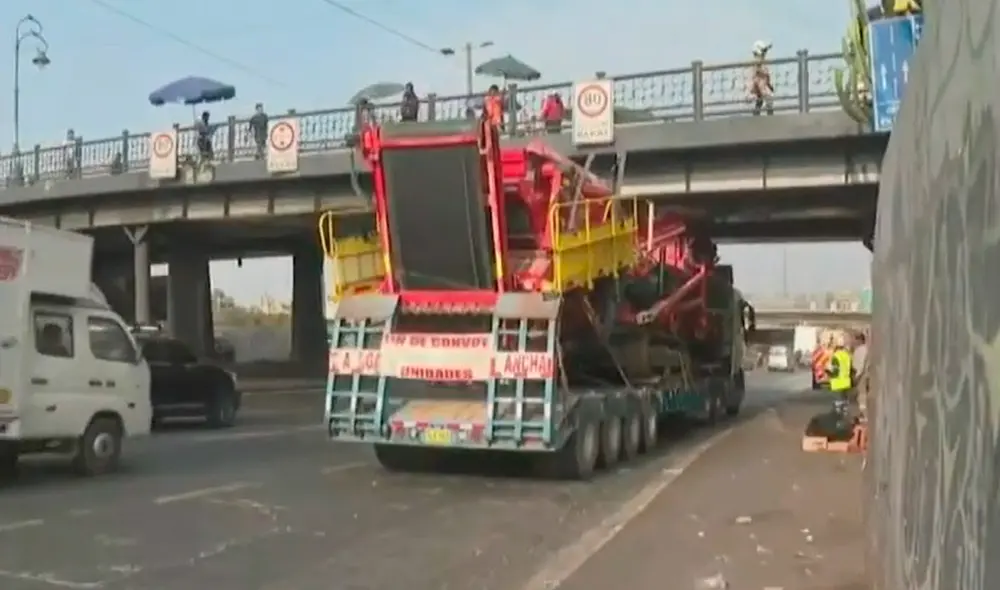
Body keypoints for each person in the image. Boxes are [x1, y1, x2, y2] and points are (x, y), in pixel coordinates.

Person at [747, 40, 774, 116]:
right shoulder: (757, 62)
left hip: (762, 85)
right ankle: (769, 117)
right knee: (767, 99)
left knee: (760, 101)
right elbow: (756, 74)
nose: (765, 54)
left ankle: (757, 115)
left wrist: (769, 84)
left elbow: (766, 76)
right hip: (759, 85)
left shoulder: (762, 62)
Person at [825, 338, 854, 406]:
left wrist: (828, 370)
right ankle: (845, 412)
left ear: (836, 347)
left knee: (837, 401)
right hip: (846, 382)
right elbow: (850, 368)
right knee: (844, 400)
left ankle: (838, 414)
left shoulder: (836, 356)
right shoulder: (847, 355)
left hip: (837, 382)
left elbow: (835, 370)